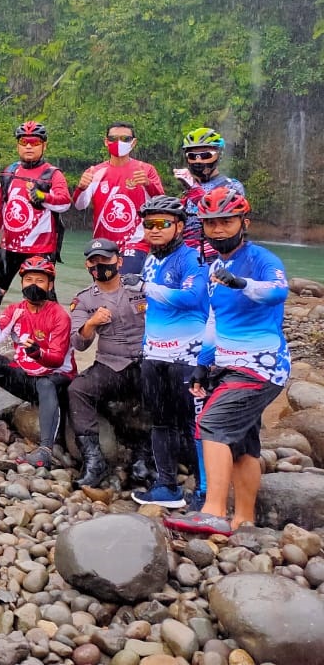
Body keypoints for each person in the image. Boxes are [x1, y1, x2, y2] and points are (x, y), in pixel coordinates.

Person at [165, 188, 290, 536]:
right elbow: (213, 321)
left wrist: (243, 283)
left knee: (212, 424)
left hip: (260, 365)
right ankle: (244, 519)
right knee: (243, 443)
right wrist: (203, 364)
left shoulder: (261, 259)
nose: (218, 230)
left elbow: (279, 291)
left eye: (226, 222)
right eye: (211, 224)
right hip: (228, 363)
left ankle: (214, 511)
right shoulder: (215, 266)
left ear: (244, 222)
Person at [125, 196, 210, 509]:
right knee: (160, 421)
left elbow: (192, 296)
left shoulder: (192, 259)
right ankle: (167, 485)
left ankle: (205, 490)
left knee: (193, 423)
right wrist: (145, 346)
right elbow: (152, 308)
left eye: (163, 223)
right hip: (155, 353)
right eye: (149, 224)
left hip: (186, 356)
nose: (154, 230)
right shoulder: (151, 259)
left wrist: (146, 288)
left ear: (180, 226)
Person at [0, 257, 74, 468]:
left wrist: (36, 352)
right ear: (21, 283)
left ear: (50, 285)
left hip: (55, 379)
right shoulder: (16, 309)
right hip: (26, 376)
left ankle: (45, 450)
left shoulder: (59, 315)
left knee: (45, 382)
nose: (33, 285)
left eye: (40, 280)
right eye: (28, 279)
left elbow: (57, 359)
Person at [66, 238, 149, 488]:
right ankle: (94, 459)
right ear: (87, 266)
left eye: (105, 259)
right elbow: (79, 344)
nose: (100, 265)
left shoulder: (140, 288)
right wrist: (91, 324)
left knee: (165, 388)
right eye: (94, 261)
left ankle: (145, 457)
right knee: (78, 389)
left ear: (119, 261)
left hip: (147, 362)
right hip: (111, 364)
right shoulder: (84, 300)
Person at [0, 123, 71, 307]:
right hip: (8, 248)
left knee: (43, 297)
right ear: (18, 145)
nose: (29, 146)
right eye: (24, 141)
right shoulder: (9, 172)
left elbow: (65, 202)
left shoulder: (52, 174)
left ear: (44, 145)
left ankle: (53, 334)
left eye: (35, 142)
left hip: (40, 249)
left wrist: (43, 196)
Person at [72, 123, 165, 276]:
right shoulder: (95, 171)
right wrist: (81, 187)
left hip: (135, 241)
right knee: (103, 287)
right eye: (113, 138)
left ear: (133, 142)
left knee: (124, 282)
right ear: (105, 141)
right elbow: (79, 205)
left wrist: (148, 184)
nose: (118, 142)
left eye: (125, 138)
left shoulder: (145, 169)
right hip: (102, 243)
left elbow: (161, 204)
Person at [174, 128, 245, 261]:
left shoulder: (232, 185)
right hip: (187, 256)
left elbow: (219, 211)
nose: (198, 161)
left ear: (219, 155)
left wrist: (193, 188)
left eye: (206, 155)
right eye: (192, 156)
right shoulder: (186, 190)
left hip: (218, 255)